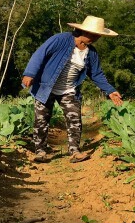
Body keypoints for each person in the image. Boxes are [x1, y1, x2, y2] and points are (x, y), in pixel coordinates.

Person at [21, 15, 123, 163]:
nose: (96, 38)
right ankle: (41, 152)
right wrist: (30, 73)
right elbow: (40, 53)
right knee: (41, 120)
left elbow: (96, 74)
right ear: (83, 31)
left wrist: (110, 90)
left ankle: (75, 151)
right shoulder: (61, 39)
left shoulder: (91, 53)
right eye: (94, 35)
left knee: (74, 119)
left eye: (98, 36)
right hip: (46, 87)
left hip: (69, 90)